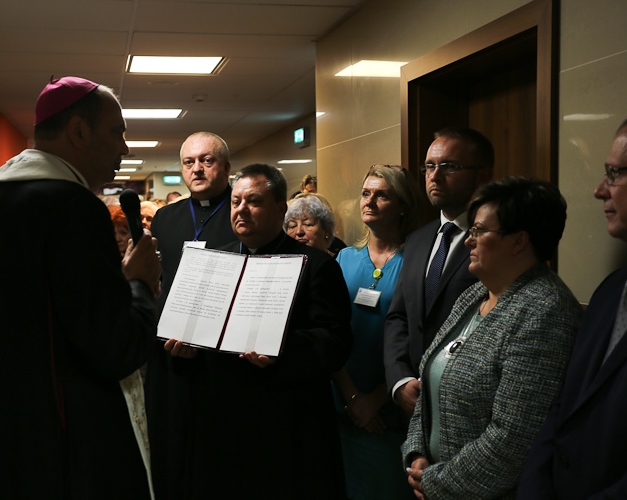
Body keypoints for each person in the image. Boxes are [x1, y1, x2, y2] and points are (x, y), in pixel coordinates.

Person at [0, 76, 161, 498]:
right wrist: (141, 283)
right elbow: (115, 348)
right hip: (64, 435)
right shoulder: (73, 206)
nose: (124, 148)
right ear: (79, 132)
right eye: (117, 133)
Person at [165, 163, 353, 498]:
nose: (241, 210)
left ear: (280, 209)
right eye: (236, 202)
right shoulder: (215, 262)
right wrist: (186, 351)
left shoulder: (317, 265)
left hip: (284, 422)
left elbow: (335, 342)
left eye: (253, 202)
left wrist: (280, 350)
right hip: (220, 421)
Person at [403, 177, 582, 499]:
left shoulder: (545, 310)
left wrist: (435, 482)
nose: (468, 241)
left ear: (518, 241)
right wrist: (416, 454)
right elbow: (429, 388)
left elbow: (514, 439)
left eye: (479, 231)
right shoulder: (473, 296)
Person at [518, 116, 627, 499]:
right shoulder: (610, 292)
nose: (600, 190)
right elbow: (565, 406)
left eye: (614, 173)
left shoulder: (551, 303)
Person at [146, 131, 239, 499]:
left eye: (207, 160)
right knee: (172, 448)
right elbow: (156, 283)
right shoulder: (165, 218)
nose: (197, 169)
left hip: (222, 359)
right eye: (189, 162)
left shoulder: (241, 212)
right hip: (170, 351)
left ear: (226, 167)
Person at [384, 127, 495, 417]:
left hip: (466, 404)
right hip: (412, 401)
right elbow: (399, 316)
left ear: (482, 175)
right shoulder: (418, 239)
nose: (435, 176)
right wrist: (400, 380)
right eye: (429, 166)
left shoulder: (494, 243)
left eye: (449, 166)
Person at [333, 164, 422, 499]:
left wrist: (376, 398)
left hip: (391, 409)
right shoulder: (343, 259)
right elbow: (332, 333)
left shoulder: (417, 261)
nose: (369, 201)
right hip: (342, 402)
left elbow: (420, 340)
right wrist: (353, 397)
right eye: (365, 193)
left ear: (402, 206)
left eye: (381, 195)